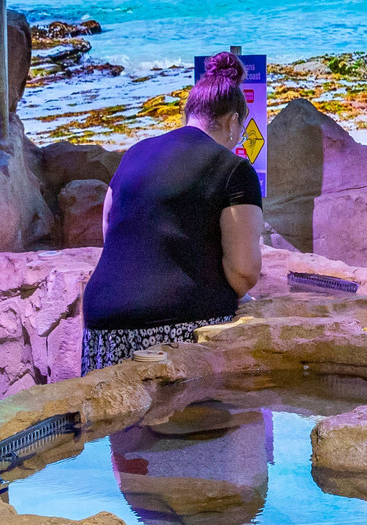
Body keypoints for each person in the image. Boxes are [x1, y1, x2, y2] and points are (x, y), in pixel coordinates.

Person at [79, 52, 265, 372]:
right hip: (175, 330)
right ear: (234, 121)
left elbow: (111, 231)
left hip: (101, 327)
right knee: (225, 415)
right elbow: (244, 272)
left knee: (118, 419)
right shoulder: (234, 169)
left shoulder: (134, 154)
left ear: (188, 113)